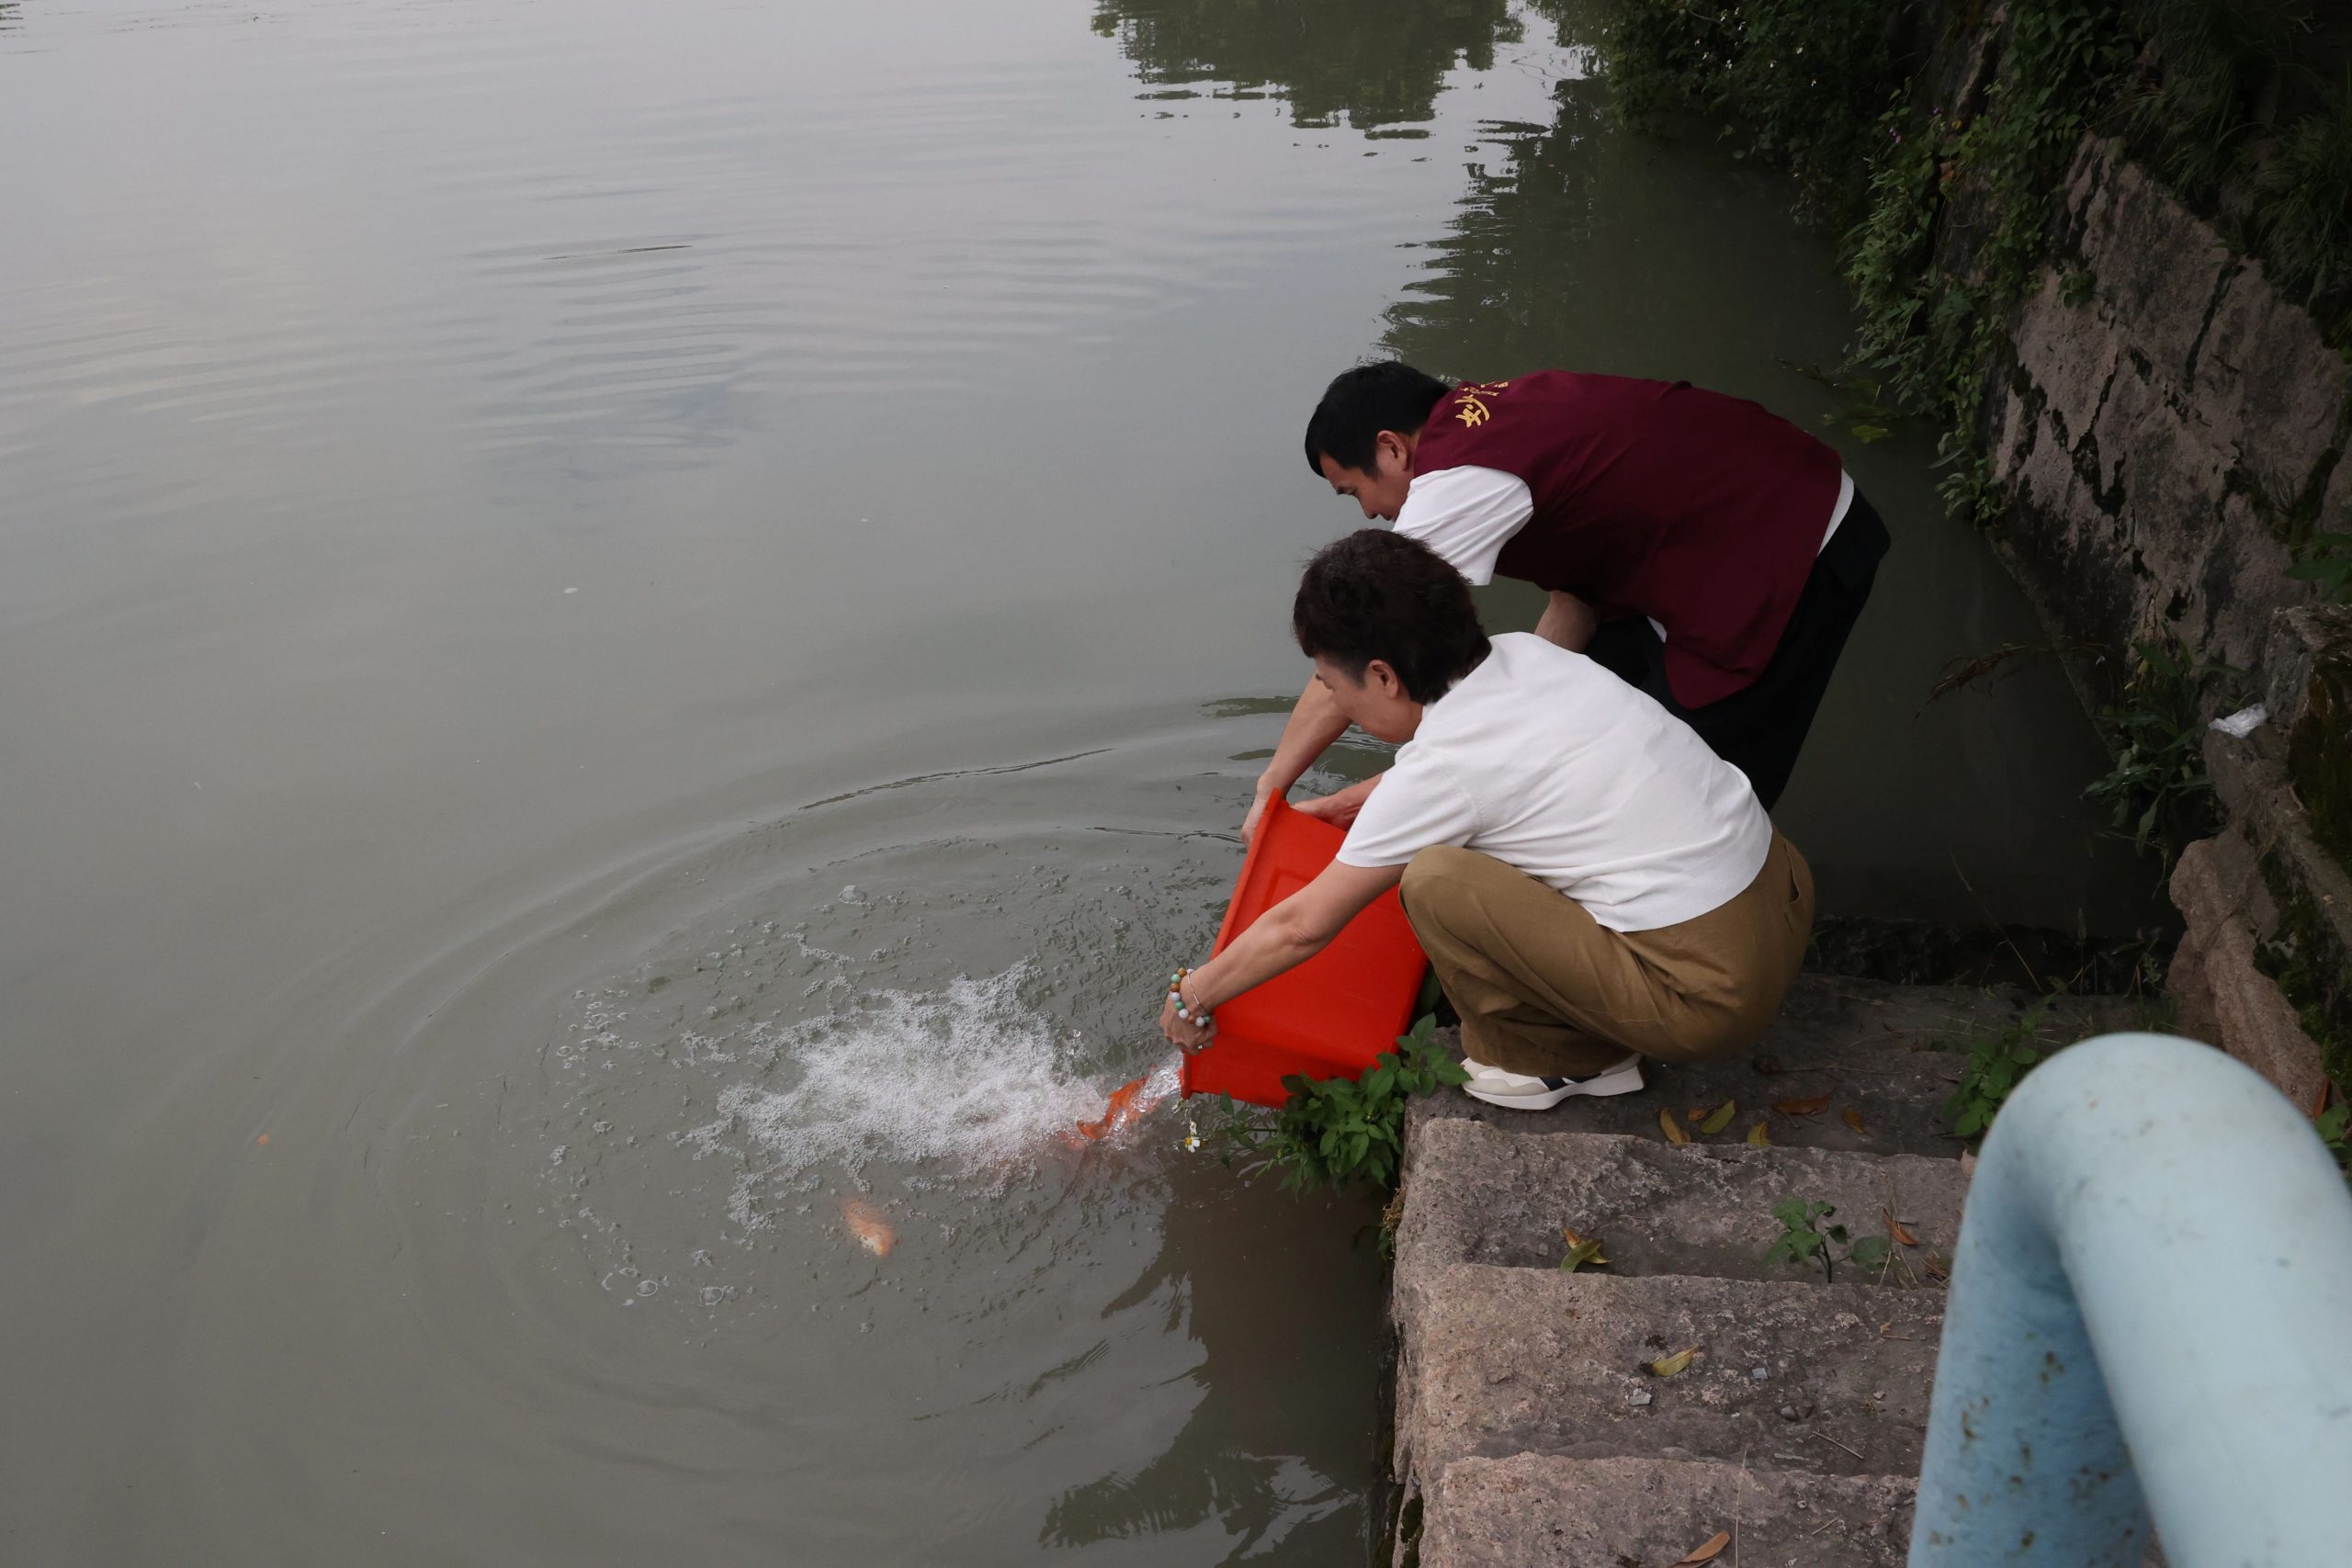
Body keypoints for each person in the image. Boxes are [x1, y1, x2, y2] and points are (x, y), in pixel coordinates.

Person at [1163, 530, 1815, 1109]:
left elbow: (1302, 926)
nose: (1335, 701)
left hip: (1707, 996)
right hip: (1783, 894)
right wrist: (1346, 805)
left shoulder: (1443, 765)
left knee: (1437, 880)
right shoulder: (1529, 657)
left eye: (1334, 685)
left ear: (1384, 676)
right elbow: (1494, 772)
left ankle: (1567, 1062)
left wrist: (1193, 994)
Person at [1244, 362, 1888, 835]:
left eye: (1354, 491)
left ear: (1392, 448)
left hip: (1791, 546)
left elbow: (1357, 643)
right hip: (1739, 522)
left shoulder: (1456, 483)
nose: (1373, 513)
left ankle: (1707, 946)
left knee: (1694, 786)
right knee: (1580, 725)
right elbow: (1575, 606)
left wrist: (1274, 786)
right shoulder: (1492, 416)